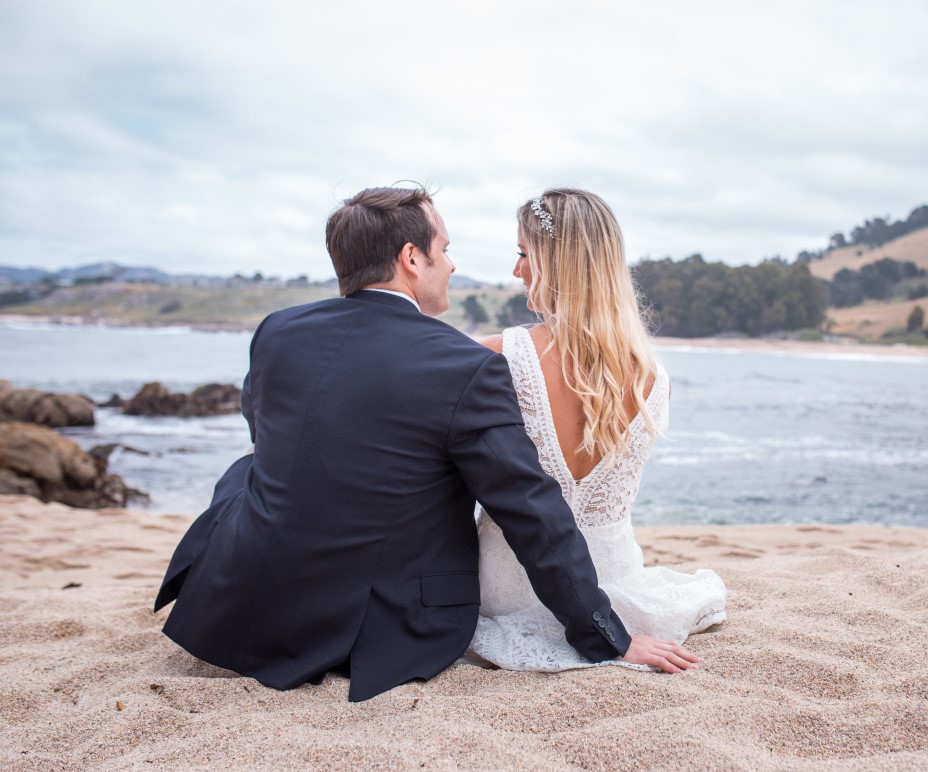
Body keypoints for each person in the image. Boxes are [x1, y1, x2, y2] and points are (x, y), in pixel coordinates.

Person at [154, 186, 700, 702]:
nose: (454, 264)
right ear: (412, 259)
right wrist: (606, 634)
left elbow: (270, 432)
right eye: (445, 249)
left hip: (251, 597)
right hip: (380, 616)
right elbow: (529, 508)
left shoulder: (277, 331)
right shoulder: (464, 364)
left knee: (246, 469)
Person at [468, 189, 726, 671]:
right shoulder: (654, 377)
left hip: (505, 586)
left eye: (524, 253)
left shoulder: (492, 357)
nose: (516, 269)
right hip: (615, 582)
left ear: (554, 261)